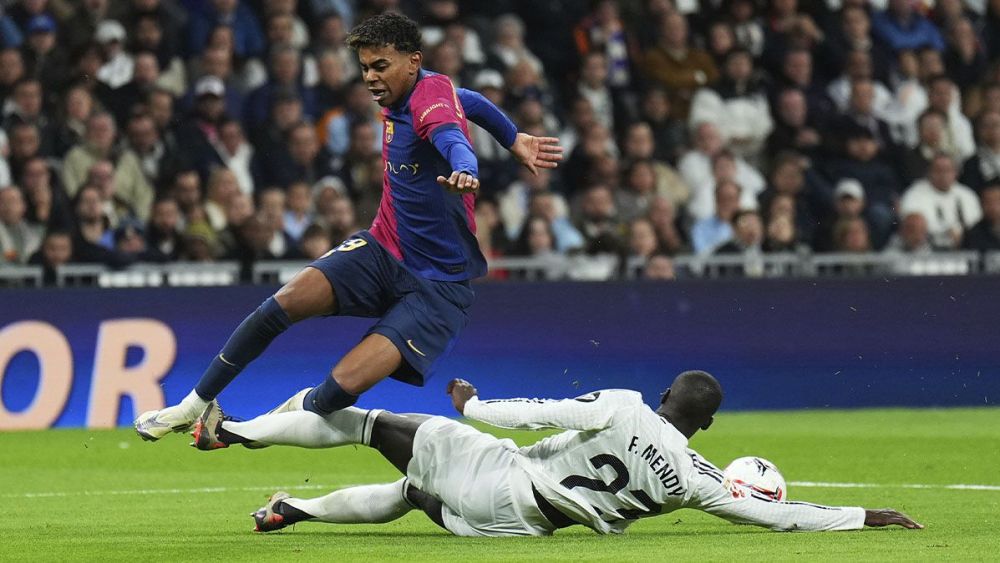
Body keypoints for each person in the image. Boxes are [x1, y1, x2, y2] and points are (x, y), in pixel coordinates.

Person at [135, 12, 563, 442]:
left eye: (381, 66)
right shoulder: (432, 88)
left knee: (335, 393)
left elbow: (450, 133)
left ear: (412, 61)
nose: (370, 78)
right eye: (364, 67)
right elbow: (468, 99)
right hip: (382, 248)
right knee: (284, 302)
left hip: (437, 291)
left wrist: (465, 167)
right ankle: (191, 405)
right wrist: (512, 138)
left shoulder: (429, 101)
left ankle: (236, 430)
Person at [188, 373, 922, 536]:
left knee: (367, 421)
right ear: (708, 426)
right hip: (519, 526)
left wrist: (473, 407)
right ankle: (293, 507)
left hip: (504, 470)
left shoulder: (626, 404)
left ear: (668, 396)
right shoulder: (696, 480)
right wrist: (868, 515)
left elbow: (538, 409)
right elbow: (781, 519)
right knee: (413, 493)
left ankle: (232, 433)